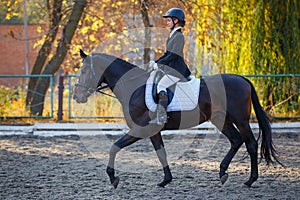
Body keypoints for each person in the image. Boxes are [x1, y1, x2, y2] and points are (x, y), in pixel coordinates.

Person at [149, 8, 191, 125]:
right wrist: (155, 63)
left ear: (176, 20)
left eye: (168, 20)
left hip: (177, 70)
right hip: (171, 69)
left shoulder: (178, 36)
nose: (167, 23)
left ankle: (162, 116)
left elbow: (173, 55)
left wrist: (159, 64)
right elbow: (167, 54)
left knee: (161, 86)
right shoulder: (172, 35)